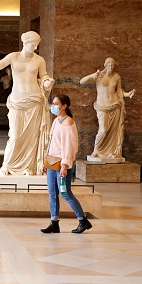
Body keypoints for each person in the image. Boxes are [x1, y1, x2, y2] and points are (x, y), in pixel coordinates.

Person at [0, 31, 54, 176]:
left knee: (32, 137)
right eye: (33, 44)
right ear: (25, 42)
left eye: (37, 44)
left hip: (35, 100)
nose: (35, 47)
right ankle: (8, 165)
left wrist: (47, 82)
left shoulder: (39, 60)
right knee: (16, 135)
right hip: (17, 101)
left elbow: (44, 76)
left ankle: (27, 167)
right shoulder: (14, 56)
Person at [41, 94, 92, 234]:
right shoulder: (56, 121)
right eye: (53, 103)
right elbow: (51, 143)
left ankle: (83, 220)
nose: (53, 106)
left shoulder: (68, 123)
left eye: (57, 103)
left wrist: (65, 165)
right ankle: (54, 222)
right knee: (52, 193)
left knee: (65, 193)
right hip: (52, 162)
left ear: (65, 106)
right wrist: (45, 160)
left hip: (62, 164)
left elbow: (69, 146)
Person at [80, 57, 135, 159]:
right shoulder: (99, 75)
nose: (111, 67)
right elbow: (81, 81)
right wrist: (91, 76)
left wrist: (127, 94)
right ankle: (96, 150)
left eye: (113, 65)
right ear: (105, 65)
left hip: (115, 105)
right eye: (109, 65)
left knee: (114, 131)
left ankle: (113, 152)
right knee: (103, 130)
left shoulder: (117, 77)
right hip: (102, 107)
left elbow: (119, 91)